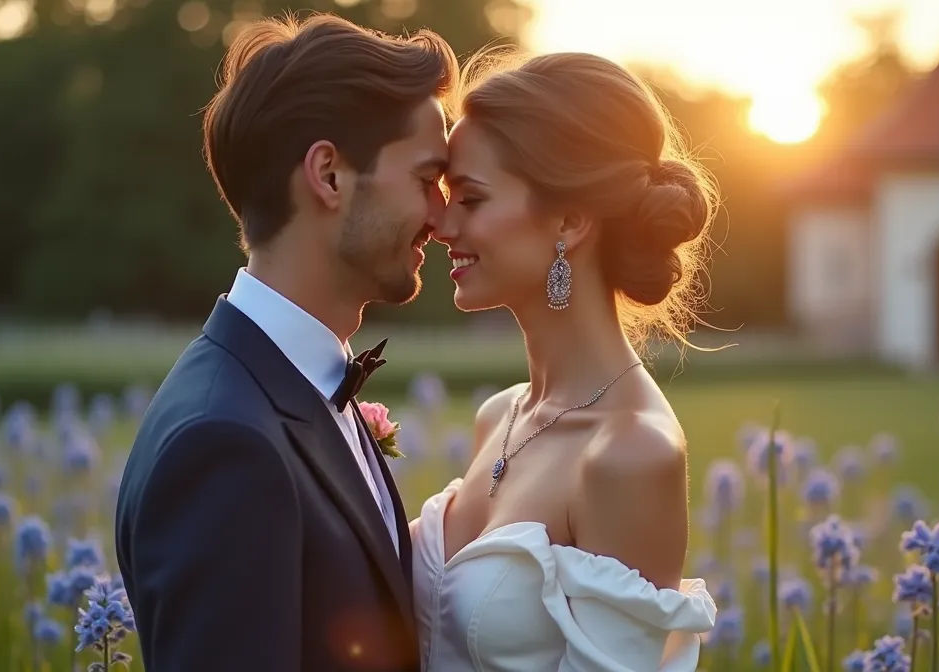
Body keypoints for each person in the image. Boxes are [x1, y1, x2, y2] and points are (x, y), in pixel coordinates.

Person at [113, 14, 456, 671]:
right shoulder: (225, 444)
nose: (441, 217)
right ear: (329, 175)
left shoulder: (286, 386)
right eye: (424, 179)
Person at [410, 50, 719, 671]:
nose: (439, 223)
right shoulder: (499, 416)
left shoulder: (632, 453)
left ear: (570, 221)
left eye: (469, 198)